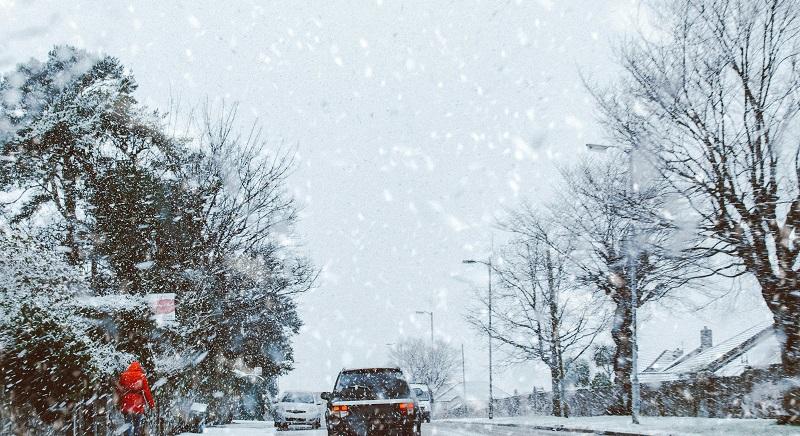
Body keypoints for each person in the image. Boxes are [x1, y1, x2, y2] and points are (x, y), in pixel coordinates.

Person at [117, 361, 155, 436]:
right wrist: (151, 405)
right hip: (138, 404)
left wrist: (119, 403)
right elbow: (147, 392)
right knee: (137, 425)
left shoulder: (124, 376)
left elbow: (119, 390)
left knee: (127, 424)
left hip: (126, 403)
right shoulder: (141, 376)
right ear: (139, 367)